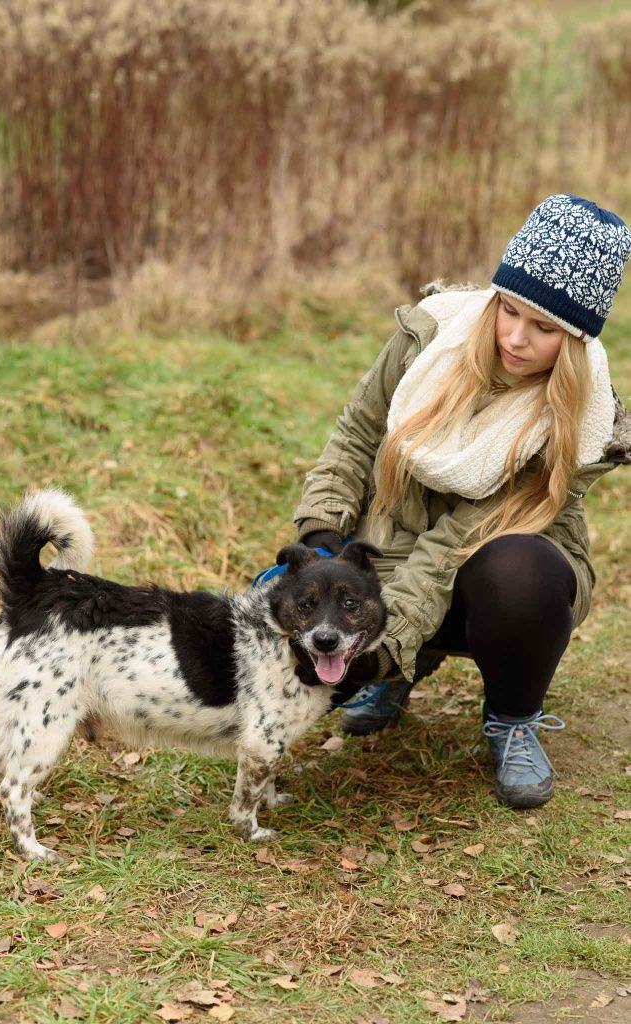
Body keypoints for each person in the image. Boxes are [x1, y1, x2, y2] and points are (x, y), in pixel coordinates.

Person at [293, 194, 630, 809]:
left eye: (545, 328)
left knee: (517, 576)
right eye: (509, 310)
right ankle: (400, 675)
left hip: (498, 570)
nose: (517, 338)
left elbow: (457, 543)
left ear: (577, 339)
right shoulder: (430, 338)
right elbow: (356, 434)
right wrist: (321, 542)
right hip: (394, 547)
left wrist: (384, 642)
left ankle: (512, 715)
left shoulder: (576, 416)